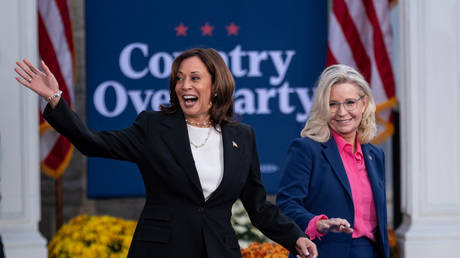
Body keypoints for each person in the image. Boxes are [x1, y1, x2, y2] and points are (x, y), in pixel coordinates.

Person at [14, 48, 317, 258]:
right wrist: (55, 100)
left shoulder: (242, 136)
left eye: (195, 77)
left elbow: (259, 207)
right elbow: (93, 143)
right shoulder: (154, 127)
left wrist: (296, 237)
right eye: (179, 78)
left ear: (216, 85)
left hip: (219, 250)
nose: (184, 85)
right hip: (162, 249)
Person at [276, 64, 389, 258]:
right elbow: (287, 204)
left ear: (364, 104)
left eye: (350, 102)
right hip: (322, 251)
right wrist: (317, 223)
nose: (342, 112)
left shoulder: (375, 155)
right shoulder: (306, 149)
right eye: (333, 104)